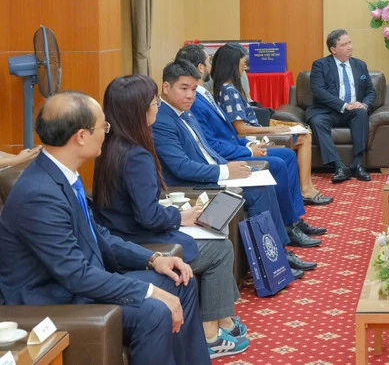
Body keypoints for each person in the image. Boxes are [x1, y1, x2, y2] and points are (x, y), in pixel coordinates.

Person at [0, 92, 211, 365]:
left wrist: (153, 259)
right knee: (154, 310)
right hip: (52, 299)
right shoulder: (39, 194)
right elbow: (76, 275)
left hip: (80, 285)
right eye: (103, 127)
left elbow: (97, 235)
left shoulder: (60, 175)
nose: (106, 133)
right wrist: (149, 292)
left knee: (180, 280)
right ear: (81, 136)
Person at [92, 75, 249, 359]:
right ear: (139, 109)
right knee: (219, 249)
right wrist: (179, 218)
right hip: (139, 242)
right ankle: (211, 334)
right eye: (154, 102)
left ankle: (223, 321)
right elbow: (149, 217)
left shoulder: (109, 144)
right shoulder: (136, 154)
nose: (157, 106)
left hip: (122, 234)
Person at [150, 60, 316, 277]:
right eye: (183, 88)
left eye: (192, 89)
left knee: (263, 178)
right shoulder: (162, 120)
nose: (190, 95)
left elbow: (207, 149)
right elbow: (181, 167)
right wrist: (226, 171)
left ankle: (279, 252)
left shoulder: (186, 113)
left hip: (213, 173)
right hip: (193, 185)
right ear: (165, 87)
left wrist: (232, 167)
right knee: (258, 190)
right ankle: (273, 261)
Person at [188, 43, 331, 207]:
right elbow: (240, 129)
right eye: (243, 64)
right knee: (303, 138)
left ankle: (303, 191)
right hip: (250, 137)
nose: (245, 68)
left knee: (301, 136)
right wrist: (272, 130)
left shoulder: (225, 88)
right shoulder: (229, 91)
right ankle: (305, 188)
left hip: (248, 138)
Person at [306, 29, 377, 183]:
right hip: (328, 111)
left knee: (361, 113)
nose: (349, 47)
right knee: (317, 121)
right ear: (333, 50)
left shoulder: (360, 65)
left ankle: (358, 165)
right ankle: (339, 166)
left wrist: (363, 104)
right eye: (344, 44)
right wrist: (344, 105)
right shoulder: (320, 65)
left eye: (349, 42)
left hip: (354, 111)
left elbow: (370, 91)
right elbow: (319, 91)